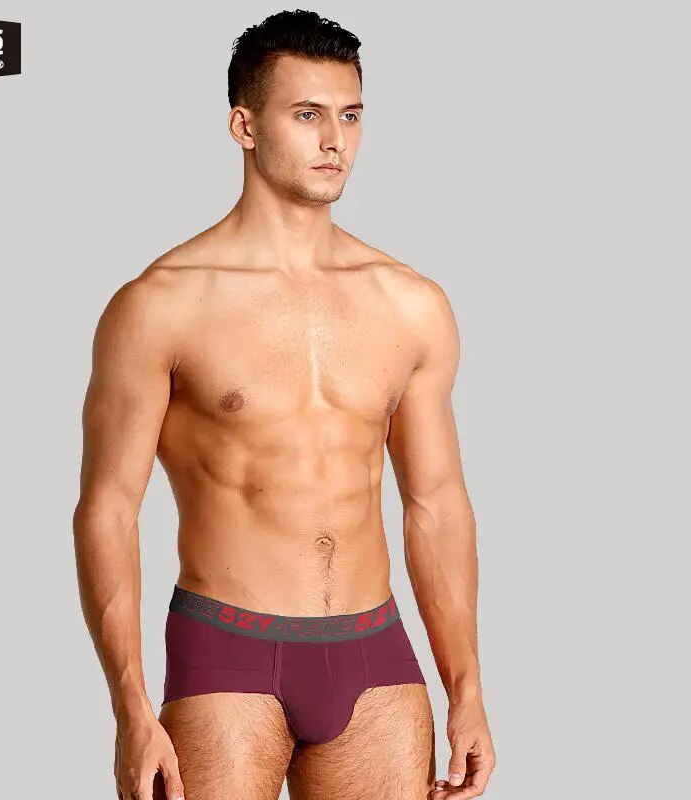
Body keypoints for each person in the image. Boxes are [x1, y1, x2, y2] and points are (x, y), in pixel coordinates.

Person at [73, 9, 495, 800]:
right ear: (245, 126)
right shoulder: (162, 305)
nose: (335, 141)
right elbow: (108, 510)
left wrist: (466, 686)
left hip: (375, 653)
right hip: (227, 651)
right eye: (306, 115)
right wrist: (130, 707)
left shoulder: (410, 305)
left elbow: (436, 504)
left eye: (350, 116)